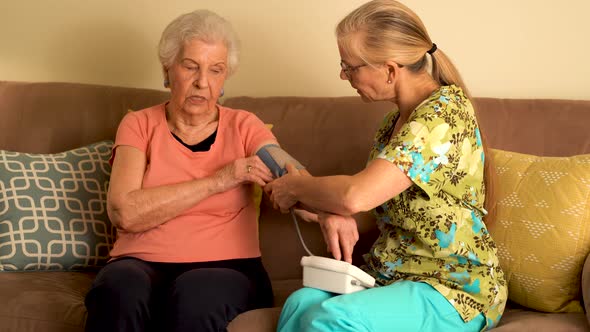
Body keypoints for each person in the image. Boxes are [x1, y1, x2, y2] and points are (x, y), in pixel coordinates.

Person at [265, 1, 507, 331]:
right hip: (396, 275)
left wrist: (296, 186)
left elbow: (356, 195)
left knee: (333, 318)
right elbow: (378, 207)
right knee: (299, 304)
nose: (343, 75)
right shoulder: (393, 123)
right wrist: (334, 214)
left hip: (453, 287)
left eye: (349, 67)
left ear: (390, 70)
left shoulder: (443, 116)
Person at [84, 10, 276, 332]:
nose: (203, 82)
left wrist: (319, 202)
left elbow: (283, 165)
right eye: (190, 66)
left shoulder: (244, 125)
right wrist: (220, 180)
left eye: (216, 70)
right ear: (167, 69)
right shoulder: (138, 124)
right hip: (138, 262)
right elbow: (124, 212)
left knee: (196, 296)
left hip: (228, 268)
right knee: (118, 289)